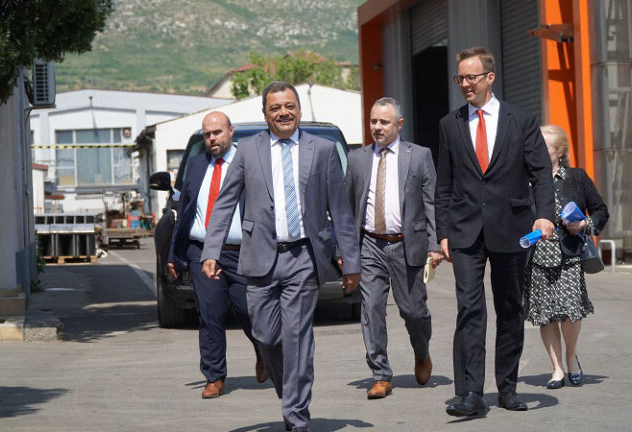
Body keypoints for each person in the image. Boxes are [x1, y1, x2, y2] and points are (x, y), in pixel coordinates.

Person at [200, 82, 361, 432]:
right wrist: (211, 250)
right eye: (275, 108)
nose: (283, 113)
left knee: (297, 339)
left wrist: (350, 261)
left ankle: (296, 415)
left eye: (289, 106)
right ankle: (289, 391)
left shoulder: (322, 150)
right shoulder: (248, 150)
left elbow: (340, 210)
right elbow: (225, 202)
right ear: (265, 114)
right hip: (260, 257)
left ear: (299, 109)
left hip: (303, 257)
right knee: (266, 337)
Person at [436, 46, 556, 417]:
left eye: (471, 77)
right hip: (465, 232)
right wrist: (442, 232)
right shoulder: (450, 124)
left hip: (512, 228)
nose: (465, 84)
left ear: (490, 78)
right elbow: (444, 184)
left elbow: (540, 173)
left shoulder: (521, 120)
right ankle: (470, 392)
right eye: (460, 78)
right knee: (469, 309)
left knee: (509, 309)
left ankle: (507, 388)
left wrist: (544, 216)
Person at [344, 97, 444, 399]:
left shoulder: (419, 156)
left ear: (399, 124)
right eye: (373, 121)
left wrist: (435, 244)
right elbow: (347, 208)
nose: (377, 127)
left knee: (414, 312)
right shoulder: (357, 159)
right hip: (370, 245)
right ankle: (380, 374)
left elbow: (431, 203)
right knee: (371, 309)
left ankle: (422, 352)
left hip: (406, 245)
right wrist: (345, 251)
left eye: (383, 122)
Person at [167, 111, 265, 398]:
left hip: (241, 252)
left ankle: (264, 353)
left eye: (217, 133)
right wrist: (175, 254)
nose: (212, 139)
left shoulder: (248, 163)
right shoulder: (197, 165)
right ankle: (214, 377)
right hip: (202, 250)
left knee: (249, 312)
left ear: (231, 132)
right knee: (210, 315)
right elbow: (184, 211)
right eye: (207, 134)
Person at [524, 124, 609, 389]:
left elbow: (600, 210)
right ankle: (557, 368)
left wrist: (583, 224)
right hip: (537, 257)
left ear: (559, 152)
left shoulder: (576, 177)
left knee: (572, 312)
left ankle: (571, 358)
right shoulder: (524, 180)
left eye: (544, 146)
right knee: (546, 314)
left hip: (569, 255)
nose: (537, 151)